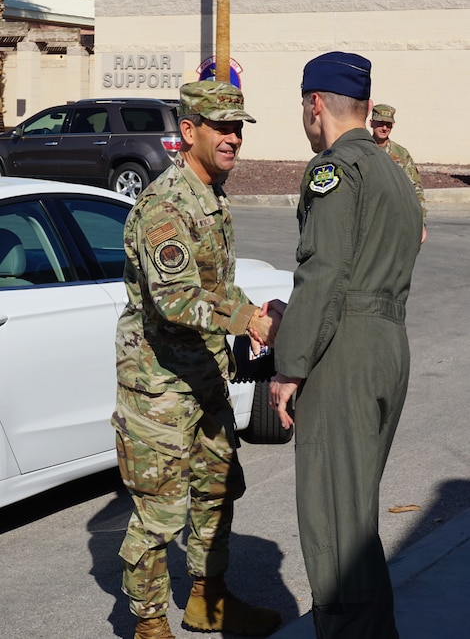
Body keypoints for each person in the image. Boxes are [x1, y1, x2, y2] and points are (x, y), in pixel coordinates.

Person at [112, 80, 282, 639]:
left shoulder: (214, 196)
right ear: (189, 132)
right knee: (158, 517)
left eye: (238, 127)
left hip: (205, 378)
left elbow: (218, 286)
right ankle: (150, 625)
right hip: (159, 388)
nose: (233, 137)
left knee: (216, 493)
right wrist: (249, 320)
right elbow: (178, 298)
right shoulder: (165, 205)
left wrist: (253, 313)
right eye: (221, 127)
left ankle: (207, 603)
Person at [268, 52, 422, 639]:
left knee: (333, 528)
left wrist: (290, 368)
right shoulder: (391, 171)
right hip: (389, 345)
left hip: (346, 352)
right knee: (355, 523)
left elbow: (324, 272)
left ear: (315, 105)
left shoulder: (335, 168)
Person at [370, 103, 427, 243]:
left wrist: (421, 222)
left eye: (388, 124)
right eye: (380, 123)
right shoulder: (361, 149)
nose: (384, 128)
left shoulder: (400, 154)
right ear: (371, 123)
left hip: (394, 221)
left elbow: (415, 188)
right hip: (368, 220)